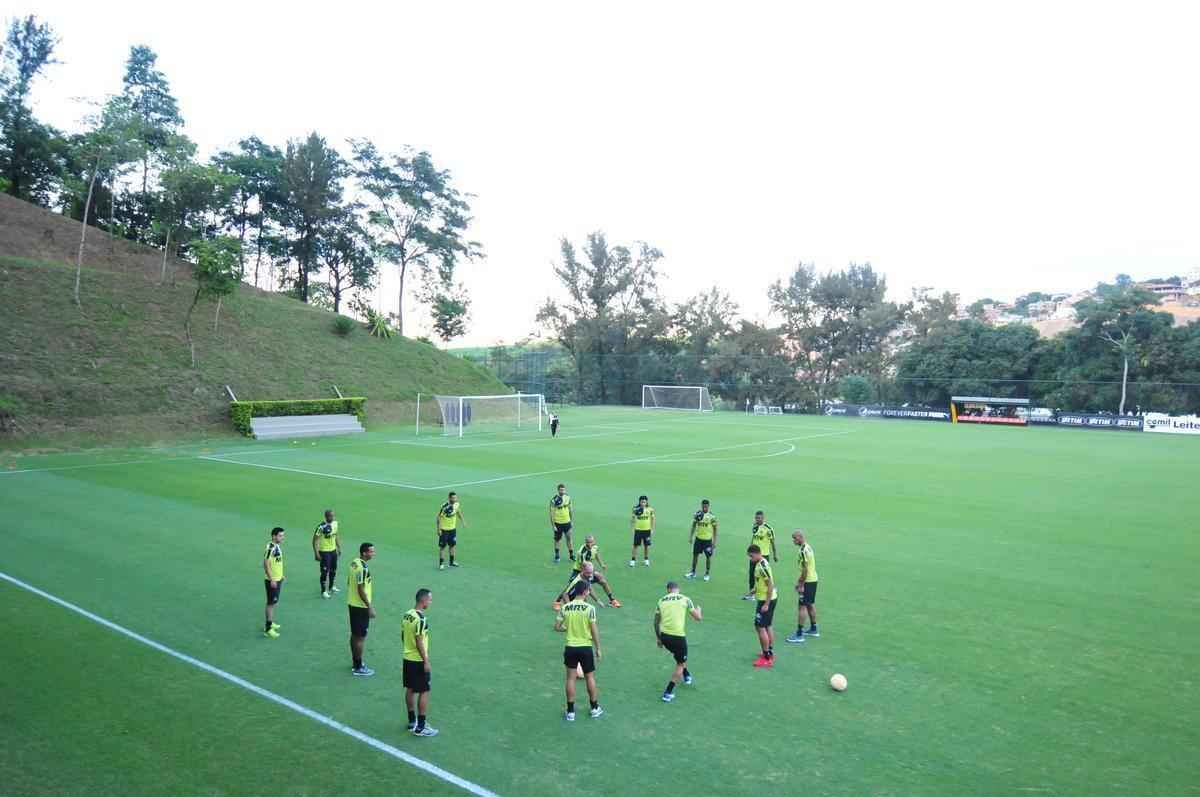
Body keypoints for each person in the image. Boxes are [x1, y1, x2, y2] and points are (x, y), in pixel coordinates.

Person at [554, 579, 603, 721]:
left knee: (570, 679)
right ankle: (594, 708)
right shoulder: (589, 609)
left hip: (570, 647)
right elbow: (594, 631)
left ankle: (570, 712)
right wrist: (598, 648)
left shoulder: (566, 607)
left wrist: (568, 630)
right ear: (585, 592)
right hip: (585, 648)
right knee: (590, 677)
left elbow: (557, 627)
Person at [654, 581, 702, 702]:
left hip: (665, 637)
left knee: (679, 656)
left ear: (668, 590)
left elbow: (655, 622)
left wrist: (659, 639)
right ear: (678, 589)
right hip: (678, 637)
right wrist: (699, 610)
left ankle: (686, 674)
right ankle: (668, 692)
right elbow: (698, 618)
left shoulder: (661, 600)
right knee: (680, 663)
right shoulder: (685, 599)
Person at [403, 588, 438, 737]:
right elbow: (419, 641)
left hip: (407, 657)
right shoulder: (421, 619)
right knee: (424, 690)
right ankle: (421, 727)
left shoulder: (407, 615)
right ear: (423, 601)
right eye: (429, 599)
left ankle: (412, 721)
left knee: (410, 688)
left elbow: (403, 635)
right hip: (418, 660)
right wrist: (426, 661)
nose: (431, 601)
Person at [555, 542, 621, 608]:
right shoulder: (581, 553)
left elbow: (596, 554)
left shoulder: (594, 547)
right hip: (579, 569)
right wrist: (569, 607)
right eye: (588, 542)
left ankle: (612, 600)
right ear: (586, 542)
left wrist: (601, 565)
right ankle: (557, 602)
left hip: (589, 569)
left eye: (592, 542)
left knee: (603, 581)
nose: (590, 544)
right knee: (569, 587)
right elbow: (582, 566)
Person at [347, 542, 376, 676]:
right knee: (360, 638)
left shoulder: (354, 563)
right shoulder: (363, 569)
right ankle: (358, 667)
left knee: (354, 635)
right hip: (361, 607)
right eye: (371, 551)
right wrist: (369, 607)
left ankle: (355, 661)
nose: (373, 554)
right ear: (364, 553)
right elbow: (360, 589)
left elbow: (350, 582)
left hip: (352, 603)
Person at [786, 530, 820, 643]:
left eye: (795, 538)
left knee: (802, 607)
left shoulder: (803, 550)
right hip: (813, 579)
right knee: (810, 604)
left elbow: (805, 570)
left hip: (807, 581)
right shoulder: (808, 547)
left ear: (800, 537)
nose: (793, 541)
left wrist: (801, 584)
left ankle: (799, 634)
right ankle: (814, 629)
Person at [747, 544, 778, 667]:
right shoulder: (760, 563)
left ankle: (766, 658)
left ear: (757, 553)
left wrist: (766, 603)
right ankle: (769, 651)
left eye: (751, 556)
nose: (750, 558)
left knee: (760, 627)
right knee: (767, 625)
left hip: (766, 600)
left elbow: (770, 585)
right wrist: (753, 591)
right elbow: (762, 583)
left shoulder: (762, 566)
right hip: (766, 598)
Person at [743, 511, 776, 600]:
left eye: (759, 518)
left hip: (764, 555)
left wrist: (775, 554)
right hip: (754, 555)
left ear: (763, 518)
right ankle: (751, 594)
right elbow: (753, 538)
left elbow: (772, 542)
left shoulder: (768, 529)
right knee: (752, 574)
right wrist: (750, 549)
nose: (757, 519)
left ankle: (769, 590)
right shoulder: (755, 526)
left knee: (765, 575)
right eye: (756, 518)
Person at [685, 499, 718, 581]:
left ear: (708, 506)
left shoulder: (712, 517)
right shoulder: (697, 514)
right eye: (703, 506)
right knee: (695, 555)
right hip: (698, 539)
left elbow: (715, 529)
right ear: (701, 505)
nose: (704, 508)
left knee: (708, 557)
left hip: (707, 541)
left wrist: (714, 541)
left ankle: (707, 573)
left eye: (706, 506)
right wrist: (690, 536)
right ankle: (693, 572)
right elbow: (693, 525)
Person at [312, 509, 341, 599]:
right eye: (330, 516)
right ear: (326, 516)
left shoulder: (335, 523)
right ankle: (323, 591)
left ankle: (331, 587)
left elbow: (336, 535)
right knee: (324, 572)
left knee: (333, 570)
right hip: (324, 552)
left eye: (333, 516)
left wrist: (338, 547)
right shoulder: (321, 527)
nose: (332, 517)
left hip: (333, 551)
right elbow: (314, 540)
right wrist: (316, 553)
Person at [262, 527, 285, 638]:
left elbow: (276, 562)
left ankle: (270, 623)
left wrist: (281, 575)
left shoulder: (277, 546)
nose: (282, 537)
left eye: (282, 535)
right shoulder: (270, 548)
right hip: (272, 580)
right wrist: (272, 579)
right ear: (274, 536)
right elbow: (266, 564)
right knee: (271, 603)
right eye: (280, 535)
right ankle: (268, 628)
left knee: (273, 602)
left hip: (277, 578)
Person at [436, 491, 466, 570]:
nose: (455, 499)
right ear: (449, 498)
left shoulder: (456, 504)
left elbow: (458, 512)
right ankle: (441, 564)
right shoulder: (444, 507)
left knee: (452, 546)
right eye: (453, 498)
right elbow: (438, 518)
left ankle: (451, 562)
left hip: (452, 529)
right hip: (444, 530)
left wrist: (463, 521)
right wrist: (438, 529)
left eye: (456, 497)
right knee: (443, 547)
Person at [549, 483, 576, 564]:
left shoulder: (568, 497)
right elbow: (551, 513)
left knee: (569, 538)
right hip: (558, 523)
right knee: (557, 540)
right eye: (561, 490)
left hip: (567, 522)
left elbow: (570, 509)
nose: (562, 491)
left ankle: (571, 555)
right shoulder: (554, 500)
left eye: (563, 489)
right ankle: (557, 556)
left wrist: (571, 521)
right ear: (558, 490)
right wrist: (553, 525)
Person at [629, 495, 655, 567]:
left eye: (644, 502)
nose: (643, 503)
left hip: (647, 530)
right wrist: (632, 528)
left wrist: (652, 529)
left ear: (646, 502)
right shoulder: (635, 509)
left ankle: (646, 559)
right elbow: (632, 519)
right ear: (639, 502)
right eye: (642, 502)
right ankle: (633, 560)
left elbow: (653, 519)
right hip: (638, 530)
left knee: (646, 546)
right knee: (635, 546)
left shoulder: (650, 509)